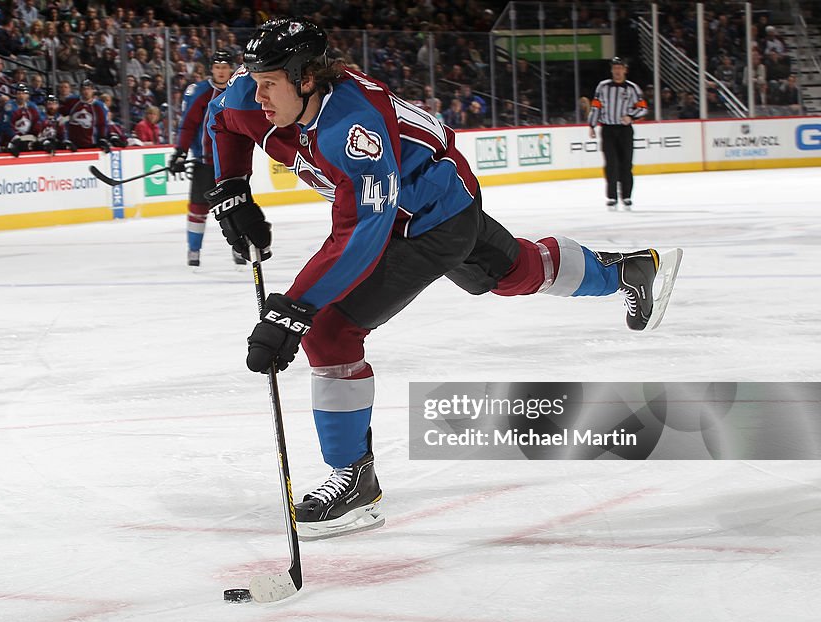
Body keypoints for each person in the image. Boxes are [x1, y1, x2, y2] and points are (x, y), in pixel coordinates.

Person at [204, 20, 678, 540]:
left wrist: (294, 309)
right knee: (511, 272)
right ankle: (626, 272)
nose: (258, 92)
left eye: (270, 81)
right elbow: (220, 119)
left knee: (329, 331)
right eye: (256, 79)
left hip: (431, 219)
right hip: (438, 195)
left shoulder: (353, 130)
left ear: (308, 78)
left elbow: (362, 230)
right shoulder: (256, 96)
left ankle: (354, 480)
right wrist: (231, 188)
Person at [169, 50, 243, 267]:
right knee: (198, 207)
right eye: (217, 67)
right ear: (211, 69)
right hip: (205, 163)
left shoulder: (240, 91)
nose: (221, 71)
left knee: (235, 207)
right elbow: (188, 125)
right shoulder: (200, 92)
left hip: (232, 165)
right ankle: (194, 251)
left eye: (225, 66)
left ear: (231, 68)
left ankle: (239, 249)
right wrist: (180, 152)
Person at [589, 57, 647, 211]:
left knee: (626, 163)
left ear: (625, 70)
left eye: (620, 68)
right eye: (615, 68)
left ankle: (626, 196)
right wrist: (592, 125)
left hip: (624, 130)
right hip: (608, 129)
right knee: (611, 164)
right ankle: (612, 197)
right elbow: (596, 107)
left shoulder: (632, 88)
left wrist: (631, 116)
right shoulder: (603, 86)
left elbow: (643, 108)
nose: (617, 71)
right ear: (611, 70)